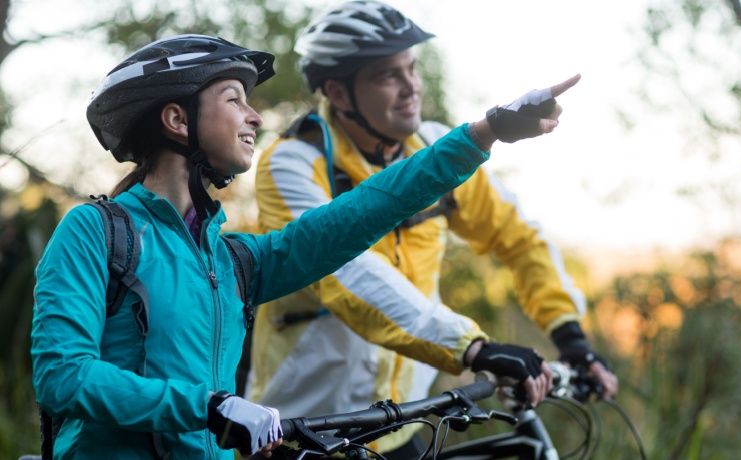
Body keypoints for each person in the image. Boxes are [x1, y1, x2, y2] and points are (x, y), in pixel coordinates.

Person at [31, 33, 574, 459]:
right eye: (234, 99)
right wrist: (211, 405)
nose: (255, 117)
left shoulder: (233, 261)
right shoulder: (95, 231)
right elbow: (63, 375)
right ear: (177, 120)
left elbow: (362, 211)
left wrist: (485, 131)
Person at [250, 1, 618, 456]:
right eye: (388, 75)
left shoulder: (431, 147)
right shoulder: (292, 163)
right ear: (339, 94)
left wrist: (570, 336)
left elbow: (519, 237)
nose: (411, 88)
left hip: (400, 425)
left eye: (412, 68)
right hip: (301, 429)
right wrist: (472, 348)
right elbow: (348, 276)